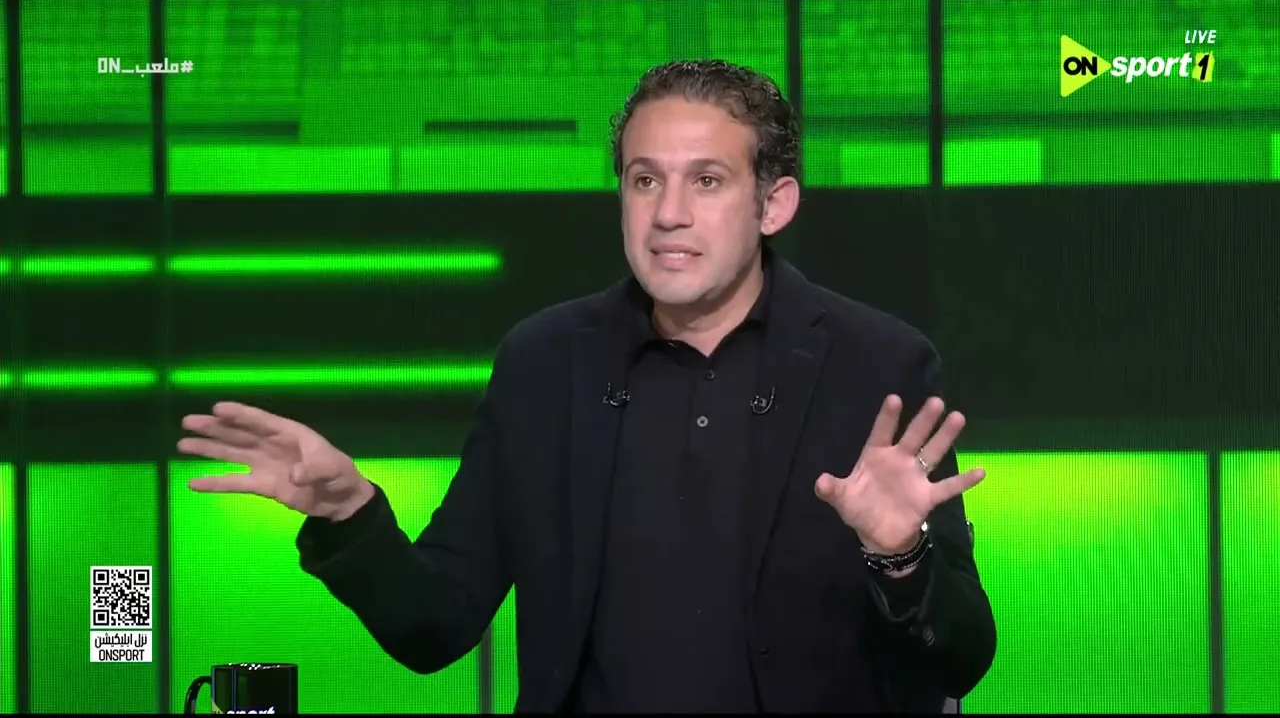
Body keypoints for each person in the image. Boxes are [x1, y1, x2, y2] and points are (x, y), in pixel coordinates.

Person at [178, 59, 996, 713]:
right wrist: (348, 511)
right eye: (645, 180)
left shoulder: (876, 365)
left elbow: (960, 659)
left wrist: (899, 556)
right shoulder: (545, 363)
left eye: (707, 181)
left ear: (773, 204)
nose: (668, 214)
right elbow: (435, 626)